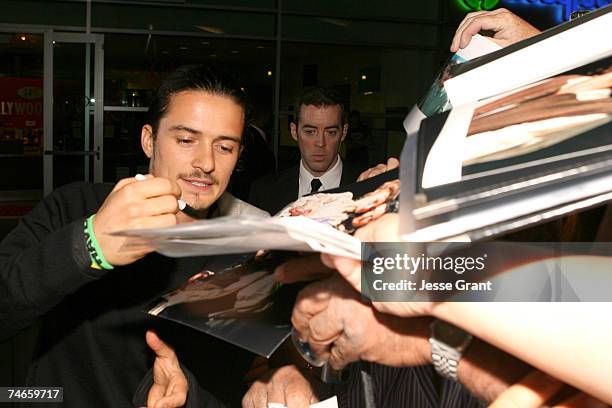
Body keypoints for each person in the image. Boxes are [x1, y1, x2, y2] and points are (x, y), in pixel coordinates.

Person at [0, 65, 268, 407]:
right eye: (186, 140)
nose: (206, 162)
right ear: (149, 140)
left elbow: (236, 383)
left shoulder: (246, 256)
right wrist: (88, 245)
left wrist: (190, 397)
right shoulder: (76, 206)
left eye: (225, 147)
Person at [248, 87, 362, 215]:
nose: (320, 143)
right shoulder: (264, 192)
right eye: (310, 132)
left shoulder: (369, 188)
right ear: (294, 131)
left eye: (331, 132)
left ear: (344, 132)